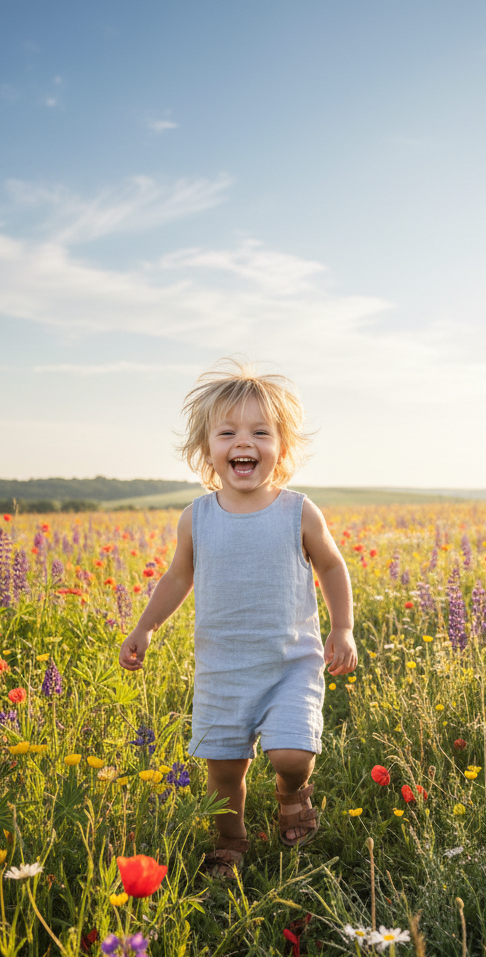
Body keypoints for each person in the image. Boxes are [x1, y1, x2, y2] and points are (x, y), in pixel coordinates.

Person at [118, 359, 357, 875]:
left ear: (281, 448)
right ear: (207, 451)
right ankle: (232, 838)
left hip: (290, 663)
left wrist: (343, 627)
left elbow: (332, 565)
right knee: (224, 771)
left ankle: (292, 791)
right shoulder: (197, 518)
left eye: (259, 432)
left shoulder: (297, 510)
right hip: (223, 671)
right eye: (227, 432)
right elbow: (178, 578)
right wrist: (146, 626)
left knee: (292, 754)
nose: (242, 441)